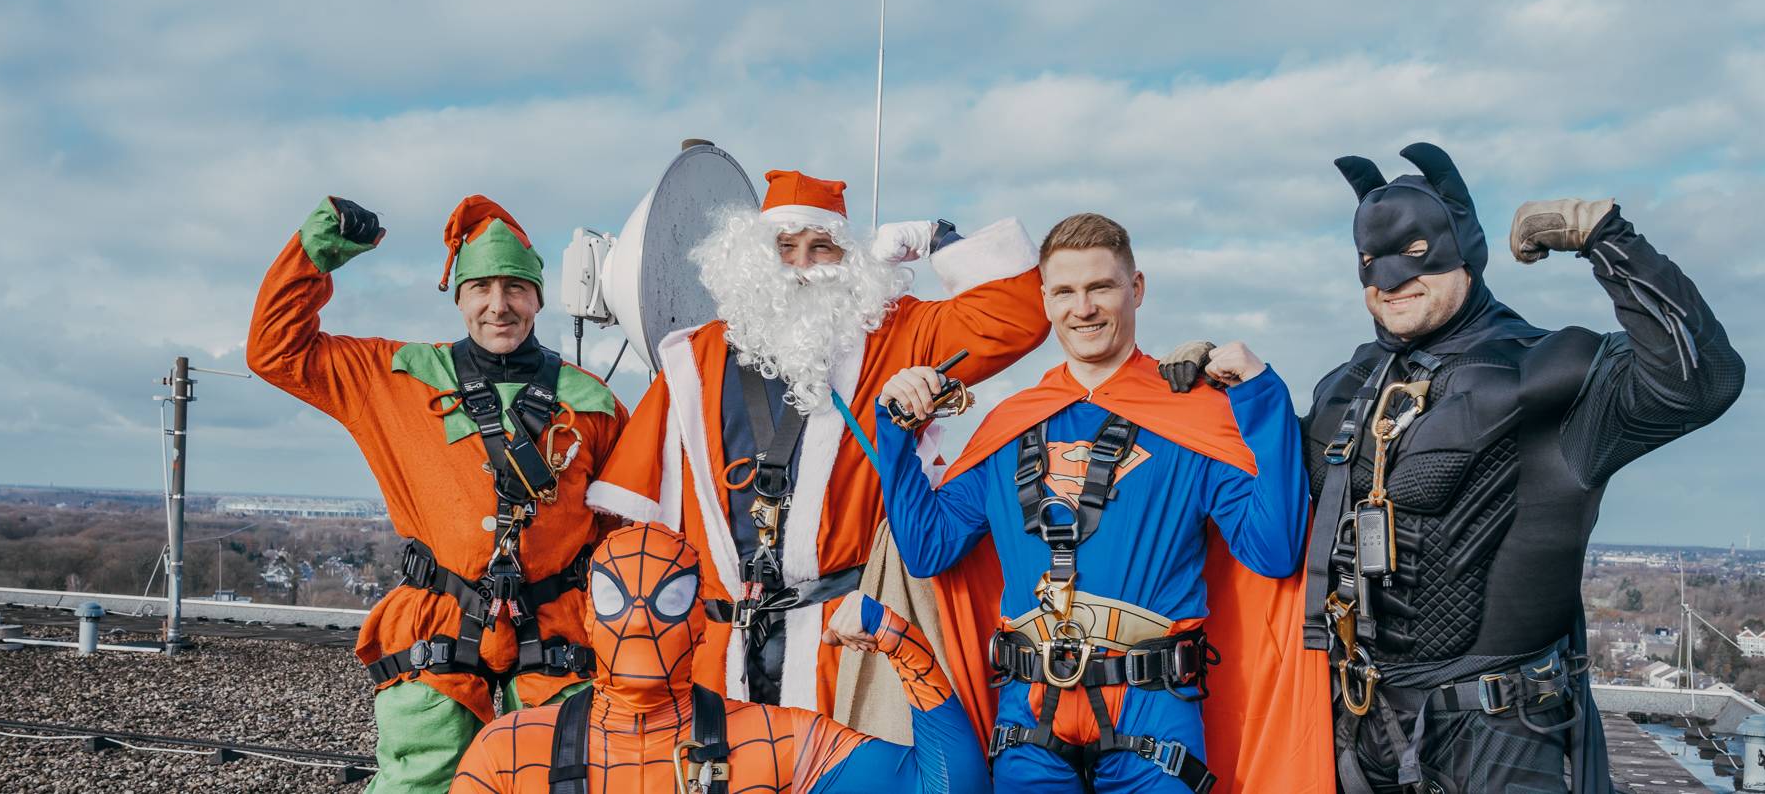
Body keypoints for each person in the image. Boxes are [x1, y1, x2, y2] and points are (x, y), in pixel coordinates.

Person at [1168, 143, 1745, 793]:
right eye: (1370, 262)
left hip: (1503, 741)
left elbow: (1701, 381)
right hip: (1354, 730)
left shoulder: (1548, 371)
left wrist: (1609, 239)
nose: (1390, 280)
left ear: (1464, 249)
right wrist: (1221, 401)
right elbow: (1278, 505)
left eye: (1416, 254)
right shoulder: (1344, 389)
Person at [873, 213, 1326, 793]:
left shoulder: (1194, 417)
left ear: (1135, 289)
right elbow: (927, 550)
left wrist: (1263, 397)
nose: (1081, 308)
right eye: (1064, 291)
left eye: (1100, 287)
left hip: (1153, 706)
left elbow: (1275, 551)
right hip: (1029, 711)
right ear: (1044, 300)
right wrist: (895, 428)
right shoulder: (1009, 425)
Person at [588, 169, 1049, 722]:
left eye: (821, 248)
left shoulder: (896, 334)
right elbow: (638, 531)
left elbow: (1018, 316)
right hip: (717, 654)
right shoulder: (692, 360)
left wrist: (937, 237)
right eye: (785, 249)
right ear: (755, 260)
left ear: (849, 261)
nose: (802, 266)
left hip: (848, 642)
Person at [249, 195, 627, 793]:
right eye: (480, 288)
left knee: (567, 778)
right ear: (459, 297)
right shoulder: (396, 375)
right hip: (437, 621)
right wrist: (315, 252)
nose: (498, 306)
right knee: (420, 780)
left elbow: (625, 534)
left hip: (559, 628)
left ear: (538, 298)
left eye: (515, 288)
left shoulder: (593, 403)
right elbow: (277, 351)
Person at [448, 522, 991, 794]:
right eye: (617, 598)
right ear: (589, 616)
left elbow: (947, 789)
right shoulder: (510, 751)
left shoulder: (777, 743)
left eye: (670, 599)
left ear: (699, 624)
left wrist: (898, 638)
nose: (640, 620)